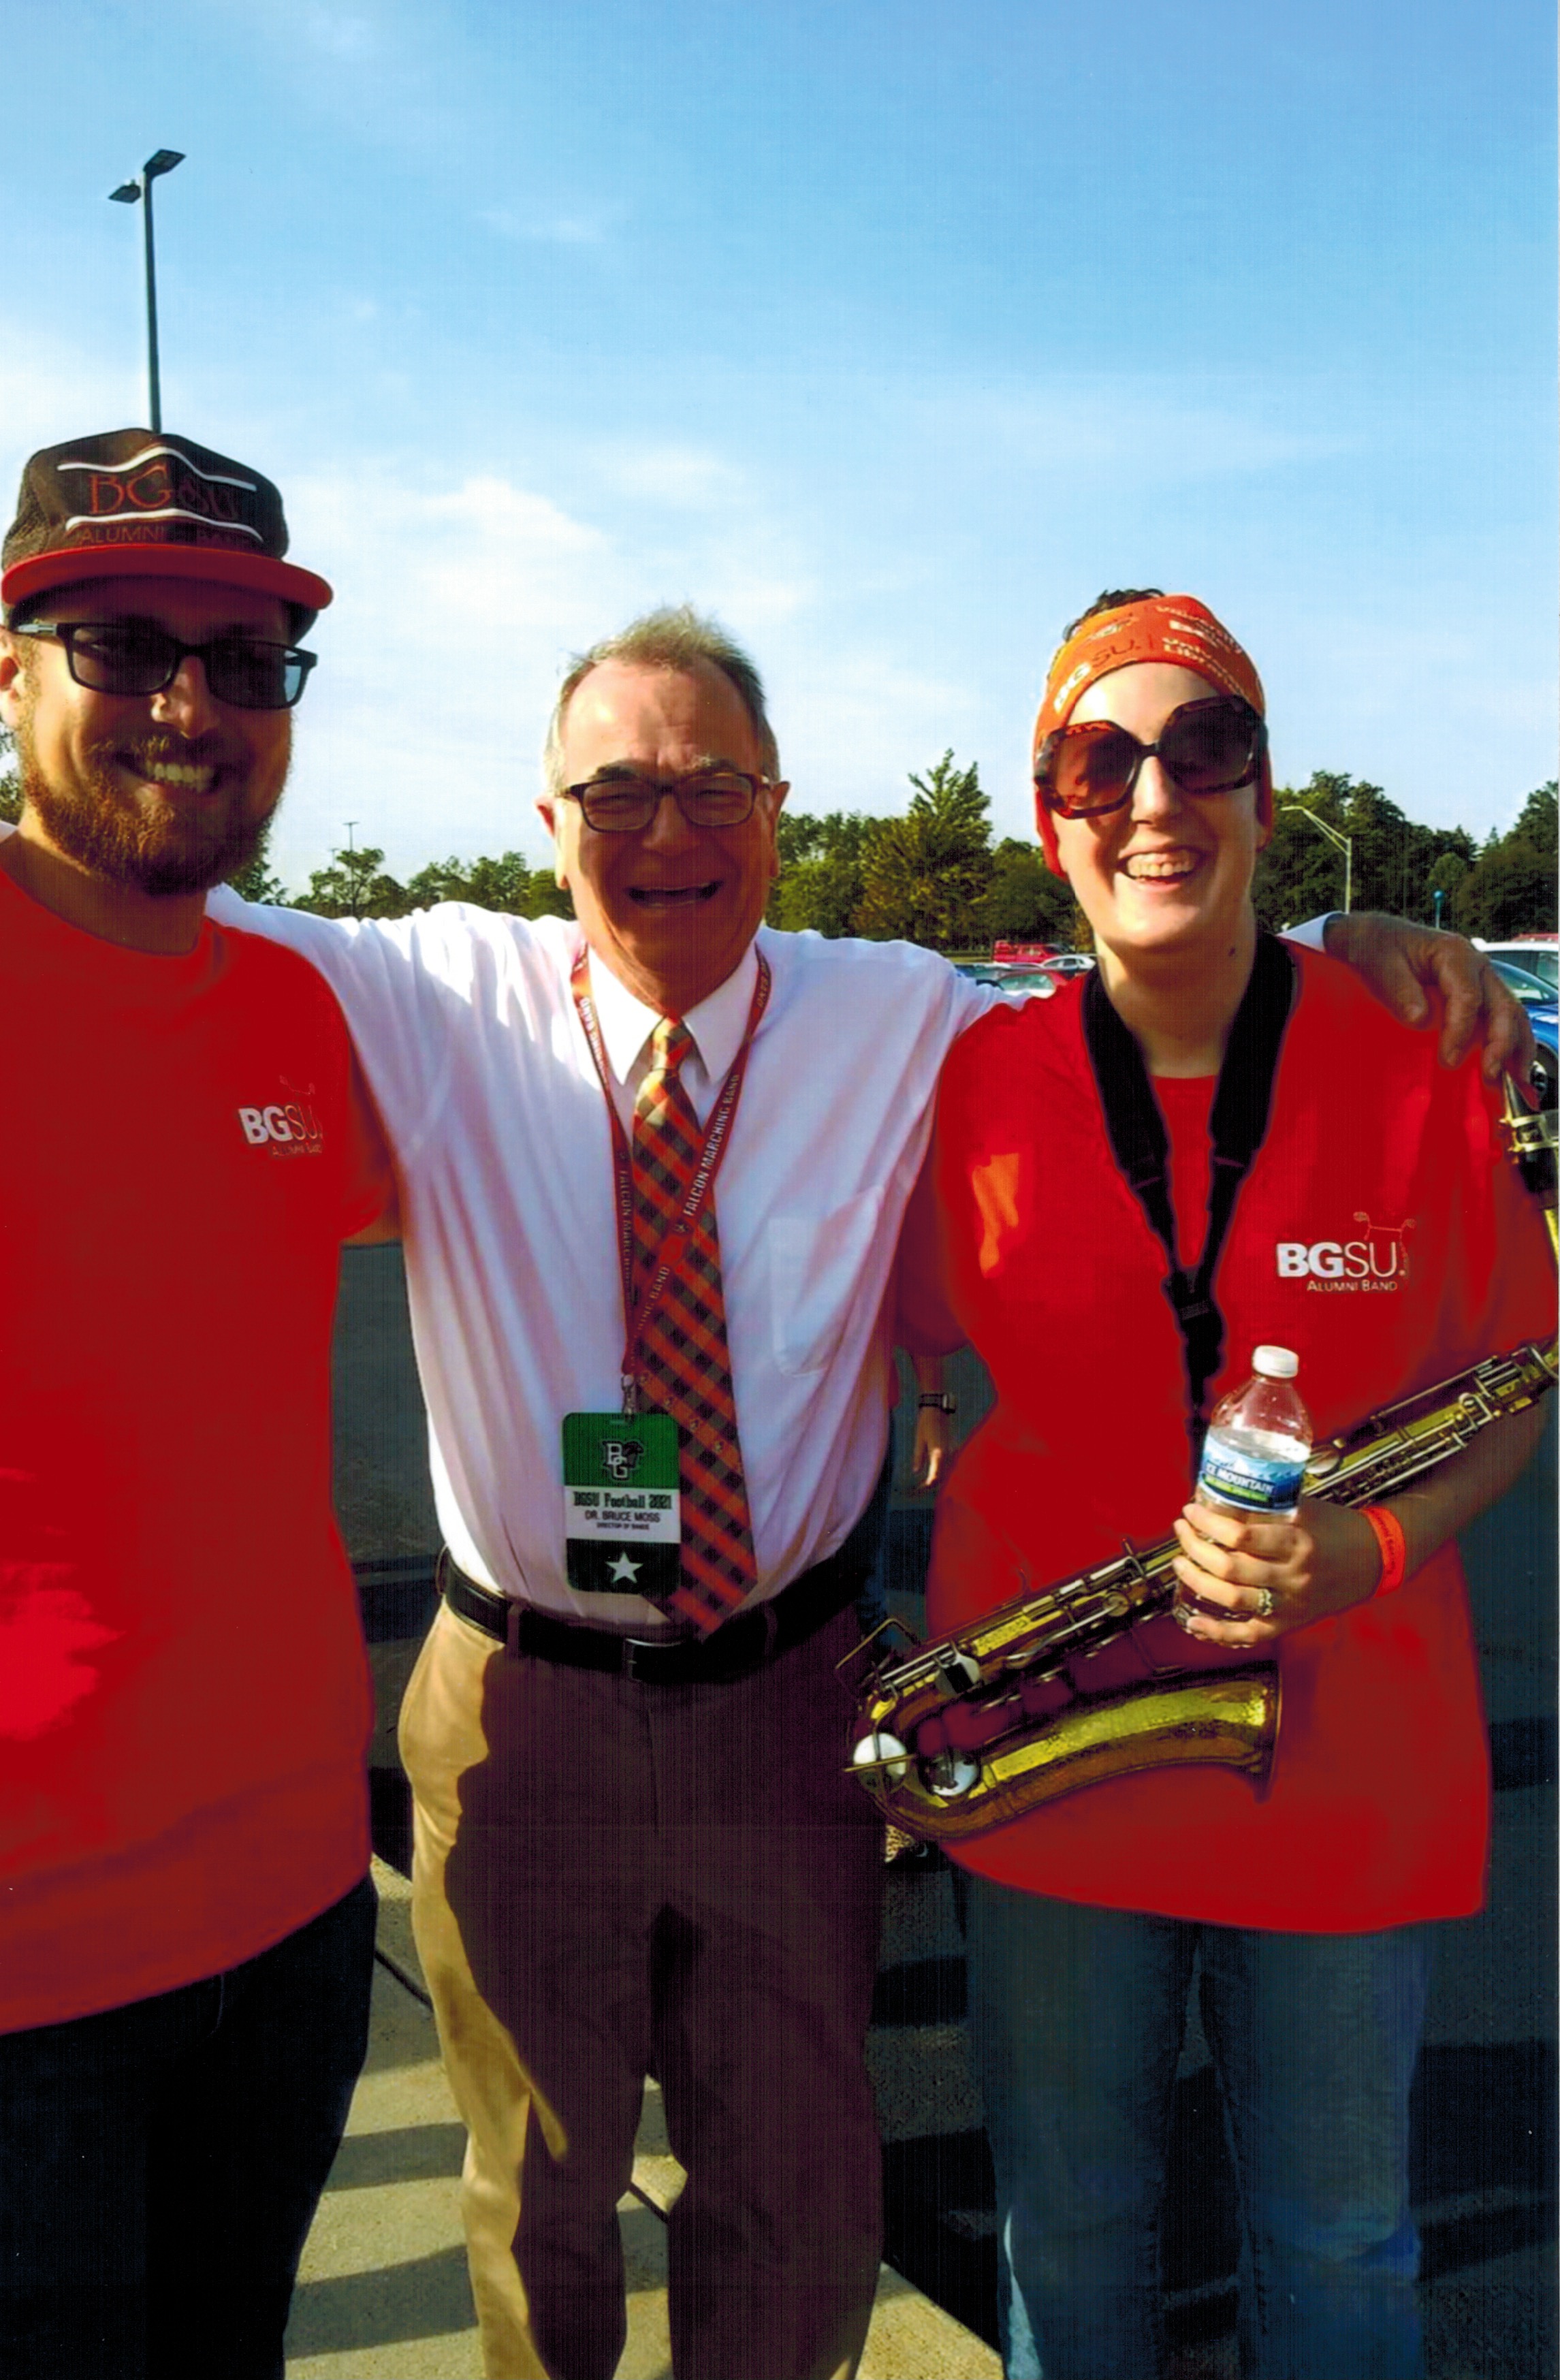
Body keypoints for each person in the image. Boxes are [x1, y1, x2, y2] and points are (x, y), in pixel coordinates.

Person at [203, 601, 1528, 2380]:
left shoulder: (899, 1017)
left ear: (777, 807)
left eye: (714, 786)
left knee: (810, 2185)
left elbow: (1168, 967)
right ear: (543, 821)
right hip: (535, 1704)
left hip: (799, 1695)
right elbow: (141, 911)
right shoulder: (441, 989)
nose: (665, 831)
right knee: (541, 2190)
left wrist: (1360, 934)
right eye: (614, 791)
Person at [900, 590, 1554, 2380]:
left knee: (1336, 2243)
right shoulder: (972, 1083)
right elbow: (865, 1340)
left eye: (1205, 752)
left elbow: (1509, 1386)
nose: (1152, 800)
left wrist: (1371, 1545)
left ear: (1266, 797)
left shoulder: (1414, 1059)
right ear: (1047, 819)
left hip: (1340, 1763)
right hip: (1056, 1767)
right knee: (1074, 2239)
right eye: (1095, 762)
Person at [0, 428, 393, 2380]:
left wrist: (1326, 961)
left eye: (247, 663)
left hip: (301, 1912)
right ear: (10, 670)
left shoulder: (295, 1016)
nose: (189, 705)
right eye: (122, 643)